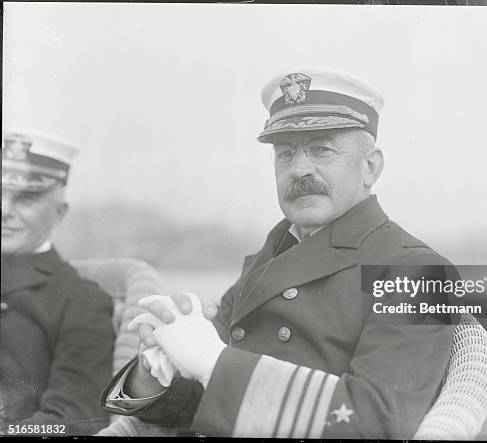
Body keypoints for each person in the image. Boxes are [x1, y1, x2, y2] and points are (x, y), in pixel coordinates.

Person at [101, 68, 459, 438]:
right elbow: (206, 403)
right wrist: (156, 369)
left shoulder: (420, 272)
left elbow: (378, 422)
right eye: (285, 153)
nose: (299, 169)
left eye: (321, 148)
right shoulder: (272, 253)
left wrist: (212, 361)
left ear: (371, 166)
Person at [0, 129, 115, 435]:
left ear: (59, 213)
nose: (4, 210)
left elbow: (73, 420)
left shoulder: (81, 302)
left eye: (25, 198)